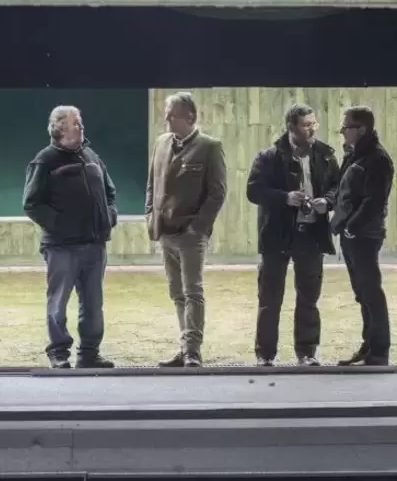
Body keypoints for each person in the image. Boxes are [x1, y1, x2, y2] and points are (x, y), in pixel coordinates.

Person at [22, 105, 117, 369]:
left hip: (95, 245)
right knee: (58, 302)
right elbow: (32, 204)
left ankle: (89, 354)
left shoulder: (91, 155)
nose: (81, 126)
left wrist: (109, 216)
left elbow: (110, 192)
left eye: (80, 121)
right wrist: (61, 226)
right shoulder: (45, 160)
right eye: (76, 122)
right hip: (61, 247)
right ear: (60, 127)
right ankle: (59, 353)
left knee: (93, 304)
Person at [246, 104, 340, 367]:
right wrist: (285, 198)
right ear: (291, 127)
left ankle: (307, 353)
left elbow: (338, 186)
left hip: (311, 235)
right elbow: (254, 190)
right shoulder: (269, 157)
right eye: (306, 124)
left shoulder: (326, 155)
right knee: (269, 299)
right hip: (276, 237)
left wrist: (328, 202)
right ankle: (265, 355)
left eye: (313, 123)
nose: (312, 129)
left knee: (309, 298)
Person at [145, 92, 227, 368]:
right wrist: (150, 217)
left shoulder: (210, 147)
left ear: (190, 117)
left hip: (191, 235)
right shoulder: (161, 143)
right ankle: (184, 347)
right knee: (177, 293)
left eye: (173, 113)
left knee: (193, 291)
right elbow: (152, 184)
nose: (166, 117)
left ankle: (193, 350)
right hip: (164, 233)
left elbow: (217, 193)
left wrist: (197, 228)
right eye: (167, 112)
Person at [331, 106, 394, 366]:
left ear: (362, 129)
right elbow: (344, 191)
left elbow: (374, 201)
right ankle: (369, 348)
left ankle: (379, 351)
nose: (343, 131)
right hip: (352, 233)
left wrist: (351, 227)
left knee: (371, 291)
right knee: (362, 292)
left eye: (347, 127)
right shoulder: (354, 155)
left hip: (364, 235)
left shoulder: (377, 159)